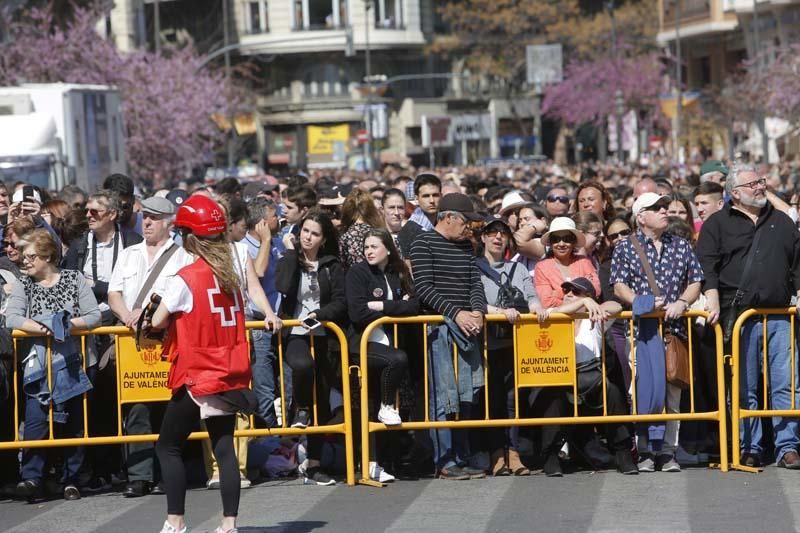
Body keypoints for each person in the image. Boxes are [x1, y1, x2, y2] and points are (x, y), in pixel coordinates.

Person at [149, 195, 252, 533]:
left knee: (169, 446)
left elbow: (159, 321)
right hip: (230, 371)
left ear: (189, 238)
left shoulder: (187, 276)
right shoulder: (232, 277)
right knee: (224, 449)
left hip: (196, 373)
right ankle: (229, 524)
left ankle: (175, 521)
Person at [696, 162, 800, 469]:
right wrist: (712, 296)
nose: (760, 187)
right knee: (745, 386)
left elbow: (797, 263)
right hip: (737, 316)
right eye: (753, 184)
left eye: (762, 182)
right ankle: (749, 445)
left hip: (780, 315)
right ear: (735, 194)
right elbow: (707, 265)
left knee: (786, 384)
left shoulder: (781, 222)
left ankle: (788, 447)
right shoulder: (717, 224)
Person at [107, 197, 194, 498]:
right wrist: (126, 315)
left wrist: (155, 318)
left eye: (154, 218)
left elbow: (184, 296)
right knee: (137, 408)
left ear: (169, 222)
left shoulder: (183, 257)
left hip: (168, 340)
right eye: (145, 217)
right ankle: (139, 475)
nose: (146, 223)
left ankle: (168, 473)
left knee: (168, 407)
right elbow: (113, 292)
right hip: (134, 341)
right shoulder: (129, 254)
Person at [611, 192, 703, 473]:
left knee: (672, 393)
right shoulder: (626, 247)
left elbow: (696, 279)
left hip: (674, 331)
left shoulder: (681, 245)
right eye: (657, 208)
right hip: (640, 331)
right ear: (641, 217)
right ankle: (646, 450)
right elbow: (618, 286)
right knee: (643, 392)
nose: (665, 211)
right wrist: (641, 301)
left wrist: (682, 302)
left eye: (665, 207)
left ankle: (667, 451)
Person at [5, 229, 100, 501]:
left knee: (74, 422)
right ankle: (32, 478)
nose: (24, 261)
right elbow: (12, 318)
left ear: (47, 255)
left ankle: (72, 479)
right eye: (24, 256)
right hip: (39, 365)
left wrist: (67, 326)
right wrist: (44, 327)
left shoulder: (74, 279)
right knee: (36, 419)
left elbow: (94, 316)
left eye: (30, 256)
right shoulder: (25, 284)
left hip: (76, 362)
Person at [409, 192, 487, 480]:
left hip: (468, 329)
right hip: (439, 331)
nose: (470, 229)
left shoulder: (465, 247)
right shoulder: (423, 242)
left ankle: (462, 455)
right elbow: (425, 288)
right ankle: (444, 459)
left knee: (467, 394)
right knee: (443, 397)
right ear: (450, 218)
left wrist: (477, 310)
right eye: (467, 223)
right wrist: (457, 313)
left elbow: (474, 282)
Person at [275, 210, 346, 486]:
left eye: (314, 233)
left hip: (325, 334)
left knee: (324, 399)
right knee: (303, 366)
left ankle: (314, 462)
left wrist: (321, 315)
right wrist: (292, 254)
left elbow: (341, 301)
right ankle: (300, 407)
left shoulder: (332, 266)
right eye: (305, 230)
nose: (308, 236)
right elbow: (282, 286)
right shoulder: (289, 259)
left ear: (323, 238)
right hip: (295, 331)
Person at [345, 228, 419, 482]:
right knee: (392, 367)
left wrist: (382, 306)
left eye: (374, 246)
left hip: (391, 341)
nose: (368, 251)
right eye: (366, 247)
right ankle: (369, 459)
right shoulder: (357, 272)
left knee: (388, 399)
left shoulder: (398, 271)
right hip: (363, 344)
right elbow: (357, 312)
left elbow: (414, 305)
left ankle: (386, 461)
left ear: (387, 248)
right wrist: (397, 308)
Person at [546, 277, 638, 476]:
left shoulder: (595, 319)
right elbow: (552, 311)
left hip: (592, 379)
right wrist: (583, 302)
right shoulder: (556, 316)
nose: (569, 294)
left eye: (577, 292)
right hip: (563, 379)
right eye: (567, 291)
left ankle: (623, 453)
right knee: (551, 398)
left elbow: (616, 306)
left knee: (613, 392)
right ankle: (550, 456)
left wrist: (594, 307)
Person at [476, 216, 541, 477]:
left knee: (514, 399)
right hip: (486, 343)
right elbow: (476, 302)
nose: (497, 237)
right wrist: (500, 312)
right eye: (492, 233)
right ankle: (496, 454)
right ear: (483, 238)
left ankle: (513, 453)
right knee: (492, 400)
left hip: (516, 341)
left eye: (502, 233)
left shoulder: (519, 270)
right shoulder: (474, 268)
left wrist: (537, 309)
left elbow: (532, 296)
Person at [240, 197, 285, 427]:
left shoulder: (280, 242)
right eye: (274, 215)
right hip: (258, 324)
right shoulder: (243, 247)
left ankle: (287, 434)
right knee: (264, 385)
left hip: (283, 321)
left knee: (287, 381)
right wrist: (266, 241)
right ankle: (268, 436)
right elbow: (257, 273)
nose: (279, 218)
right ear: (261, 223)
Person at [534, 217, 600, 308]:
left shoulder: (584, 262)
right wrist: (580, 295)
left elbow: (595, 291)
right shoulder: (541, 267)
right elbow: (546, 302)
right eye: (556, 239)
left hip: (583, 318)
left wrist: (556, 293)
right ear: (550, 243)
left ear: (573, 241)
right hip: (558, 320)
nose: (561, 244)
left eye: (567, 239)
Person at [338, 188, 385, 270]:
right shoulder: (379, 234)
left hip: (354, 280)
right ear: (371, 209)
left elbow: (343, 267)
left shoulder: (345, 237)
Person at [397, 173, 441, 258]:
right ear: (417, 199)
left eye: (435, 195)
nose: (432, 200)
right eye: (426, 196)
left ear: (441, 196)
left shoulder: (444, 223)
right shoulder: (410, 231)